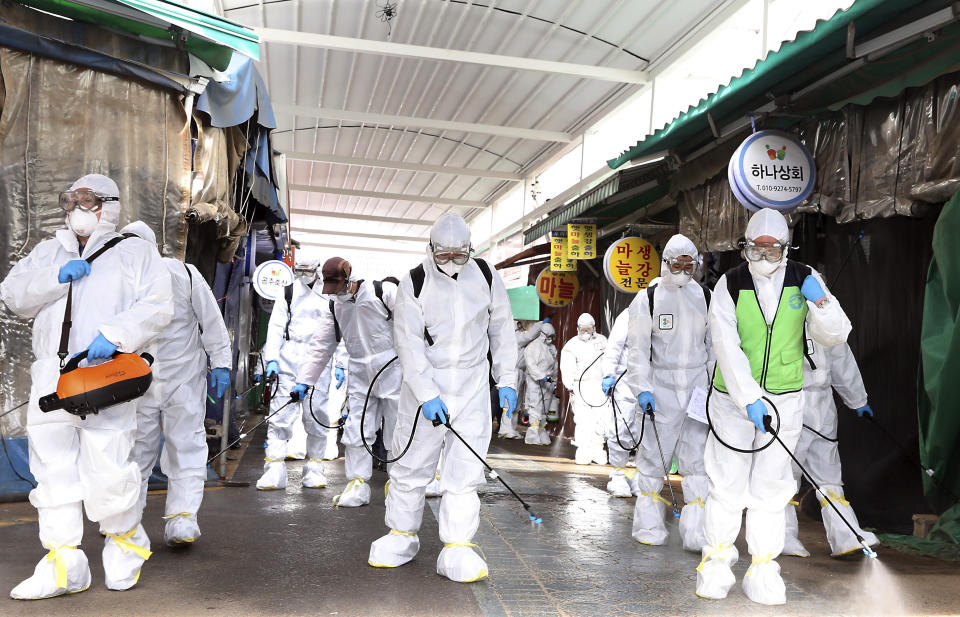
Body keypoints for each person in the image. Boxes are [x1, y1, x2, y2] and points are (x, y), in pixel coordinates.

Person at [1, 174, 173, 598]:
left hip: (105, 375)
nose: (77, 208)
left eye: (88, 200)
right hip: (52, 375)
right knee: (51, 470)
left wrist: (115, 334)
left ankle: (125, 546)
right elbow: (13, 295)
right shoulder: (48, 250)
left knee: (108, 467)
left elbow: (158, 305)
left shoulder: (135, 252)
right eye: (71, 200)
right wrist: (56, 276)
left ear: (109, 206)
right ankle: (64, 565)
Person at [697, 208, 851, 606]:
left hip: (785, 400)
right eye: (757, 247)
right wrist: (748, 399)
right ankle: (716, 563)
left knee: (772, 488)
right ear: (745, 246)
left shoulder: (805, 279)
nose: (764, 255)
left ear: (786, 247)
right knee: (727, 484)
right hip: (732, 402)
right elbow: (726, 347)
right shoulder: (729, 284)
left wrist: (822, 305)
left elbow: (835, 336)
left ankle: (763, 568)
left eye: (773, 248)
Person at [367, 213, 517, 583]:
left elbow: (502, 328)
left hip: (472, 386)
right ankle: (401, 536)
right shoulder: (414, 282)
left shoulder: (485, 275)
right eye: (444, 255)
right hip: (425, 389)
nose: (451, 262)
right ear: (431, 249)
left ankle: (457, 547)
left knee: (465, 470)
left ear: (470, 249)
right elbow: (408, 343)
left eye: (459, 255)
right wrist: (427, 394)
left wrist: (508, 379)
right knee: (411, 466)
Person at [120, 222, 232, 547]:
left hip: (182, 377)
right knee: (135, 450)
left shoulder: (183, 273)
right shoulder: (119, 284)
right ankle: (127, 520)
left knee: (186, 445)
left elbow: (211, 321)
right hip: (136, 381)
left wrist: (221, 363)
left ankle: (183, 519)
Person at [624, 235, 713, 550]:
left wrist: (713, 386)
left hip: (697, 386)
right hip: (661, 386)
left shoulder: (704, 295)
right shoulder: (647, 298)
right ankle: (648, 527)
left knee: (698, 459)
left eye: (689, 263)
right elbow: (637, 351)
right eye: (678, 263)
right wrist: (642, 389)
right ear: (666, 262)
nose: (684, 269)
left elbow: (713, 347)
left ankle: (697, 533)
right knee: (653, 456)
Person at [293, 257, 400, 507]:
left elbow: (412, 327)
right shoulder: (334, 306)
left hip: (394, 368)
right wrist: (305, 380)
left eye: (338, 288)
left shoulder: (383, 292)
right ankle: (358, 484)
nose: (335, 294)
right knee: (356, 429)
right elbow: (322, 345)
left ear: (350, 279)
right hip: (360, 371)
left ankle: (399, 485)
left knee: (397, 430)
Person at [783, 341, 879, 557]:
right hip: (787, 399)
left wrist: (857, 400)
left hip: (821, 402)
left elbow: (840, 356)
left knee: (827, 472)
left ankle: (846, 535)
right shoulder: (780, 312)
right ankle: (781, 537)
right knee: (785, 472)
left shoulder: (825, 315)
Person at [257, 256, 331, 490]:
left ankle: (315, 469)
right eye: (299, 270)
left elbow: (339, 330)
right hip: (290, 358)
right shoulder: (287, 292)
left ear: (317, 270)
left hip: (320, 358)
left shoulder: (330, 293)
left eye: (307, 270)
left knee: (316, 415)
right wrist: (271, 360)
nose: (303, 275)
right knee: (280, 415)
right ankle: (274, 470)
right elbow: (276, 328)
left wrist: (340, 365)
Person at [560, 313, 609, 465]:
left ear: (594, 328)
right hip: (581, 387)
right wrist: (569, 384)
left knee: (601, 419)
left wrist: (609, 378)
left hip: (600, 387)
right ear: (578, 329)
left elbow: (610, 360)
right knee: (583, 420)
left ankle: (598, 450)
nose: (586, 332)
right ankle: (583, 451)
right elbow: (567, 366)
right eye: (583, 329)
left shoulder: (603, 341)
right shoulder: (572, 345)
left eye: (589, 329)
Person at [600, 308, 638, 497]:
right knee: (621, 429)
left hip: (653, 383)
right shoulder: (630, 314)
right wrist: (609, 374)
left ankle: (641, 476)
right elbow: (614, 347)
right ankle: (618, 475)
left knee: (645, 433)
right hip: (625, 381)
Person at [499, 320, 543, 439]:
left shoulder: (513, 337)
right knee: (510, 403)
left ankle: (510, 429)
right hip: (514, 372)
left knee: (516, 404)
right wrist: (542, 324)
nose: (521, 326)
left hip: (519, 372)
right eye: (519, 324)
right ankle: (505, 429)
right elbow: (529, 335)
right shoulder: (515, 337)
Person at [524, 323, 557, 446]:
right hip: (535, 381)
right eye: (548, 336)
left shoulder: (552, 348)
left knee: (545, 407)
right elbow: (531, 364)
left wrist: (554, 380)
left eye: (552, 336)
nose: (550, 338)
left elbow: (555, 365)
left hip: (548, 381)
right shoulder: (533, 347)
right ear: (543, 334)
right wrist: (541, 376)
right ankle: (532, 434)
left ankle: (541, 431)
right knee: (535, 405)